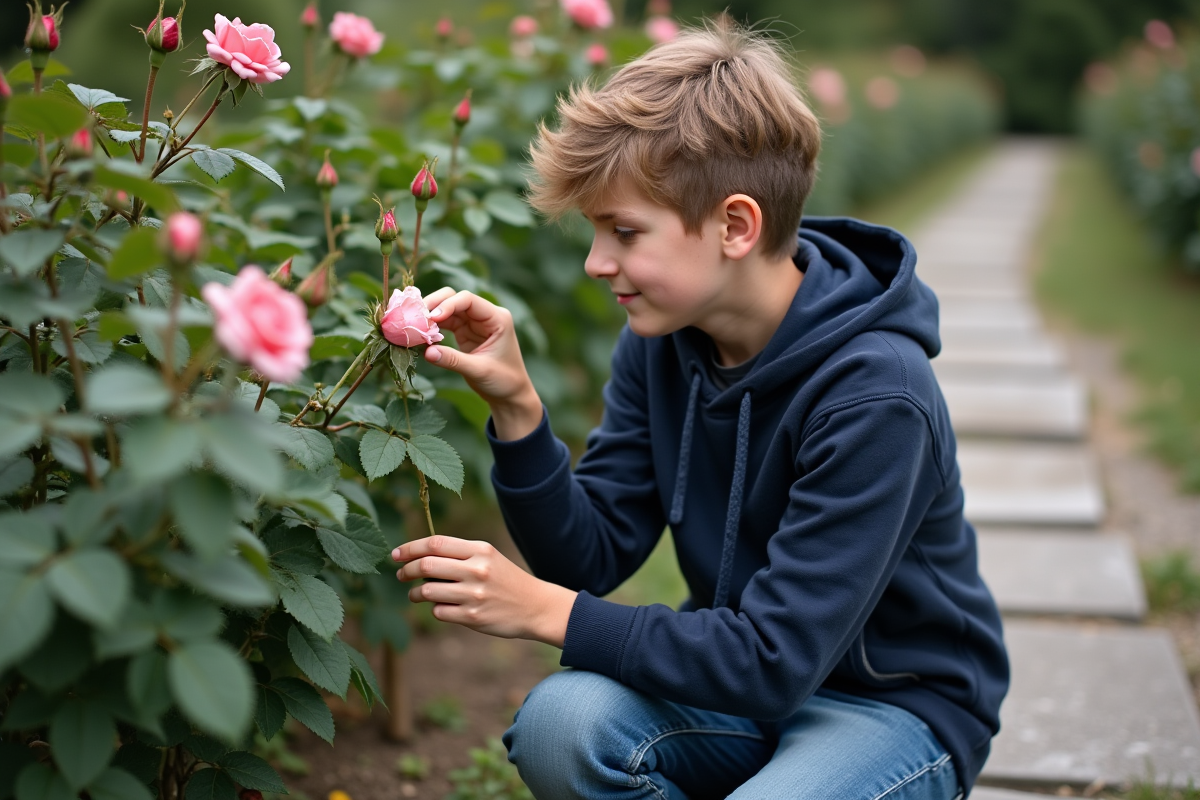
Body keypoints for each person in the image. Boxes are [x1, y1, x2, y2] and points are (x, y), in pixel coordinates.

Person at [390, 21, 1008, 800]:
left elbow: (775, 657)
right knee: (561, 728)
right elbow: (592, 556)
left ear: (735, 226)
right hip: (736, 697)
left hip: (892, 709)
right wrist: (518, 411)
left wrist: (549, 613)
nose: (595, 262)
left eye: (624, 231)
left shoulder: (878, 394)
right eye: (593, 230)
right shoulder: (663, 342)